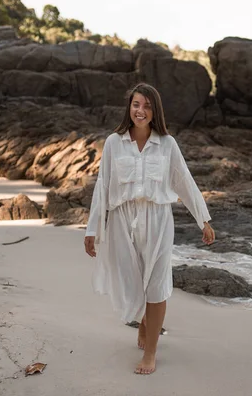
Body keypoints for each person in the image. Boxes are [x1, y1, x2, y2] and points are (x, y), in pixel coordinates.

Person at [84, 82, 215, 375]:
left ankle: (151, 353)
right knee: (131, 283)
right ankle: (143, 322)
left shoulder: (167, 144)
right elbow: (102, 187)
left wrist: (202, 220)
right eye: (135, 104)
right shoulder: (113, 143)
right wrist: (92, 229)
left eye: (146, 105)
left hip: (158, 219)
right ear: (129, 107)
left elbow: (184, 181)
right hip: (122, 220)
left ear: (155, 111)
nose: (140, 111)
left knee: (155, 286)